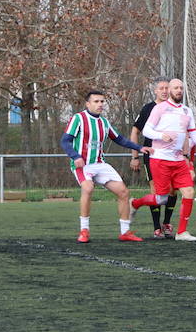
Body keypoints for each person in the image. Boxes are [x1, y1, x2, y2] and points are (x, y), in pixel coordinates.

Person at [131, 78, 196, 241]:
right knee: (161, 198)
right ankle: (135, 204)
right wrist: (161, 135)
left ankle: (181, 232)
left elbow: (193, 135)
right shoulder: (160, 108)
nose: (178, 90)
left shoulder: (187, 111)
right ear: (170, 91)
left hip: (179, 160)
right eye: (175, 88)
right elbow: (146, 131)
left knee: (189, 192)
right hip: (160, 159)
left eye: (181, 88)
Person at [61, 90, 151, 243]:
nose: (100, 104)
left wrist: (139, 147)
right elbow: (65, 141)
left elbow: (120, 139)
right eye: (96, 101)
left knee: (123, 192)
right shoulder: (79, 118)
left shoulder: (104, 122)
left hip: (100, 164)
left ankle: (125, 232)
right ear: (87, 104)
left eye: (102, 101)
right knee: (88, 188)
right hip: (83, 164)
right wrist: (75, 156)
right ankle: (84, 230)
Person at [129, 76, 173, 237]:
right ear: (155, 90)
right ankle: (157, 228)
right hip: (153, 156)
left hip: (172, 156)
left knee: (172, 190)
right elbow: (135, 131)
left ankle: (167, 223)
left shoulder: (176, 108)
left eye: (167, 88)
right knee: (157, 191)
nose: (164, 91)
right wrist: (135, 156)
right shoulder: (148, 109)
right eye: (161, 88)